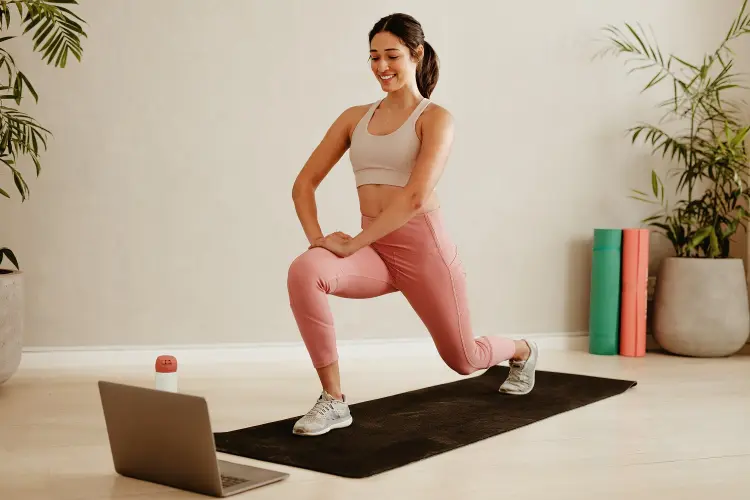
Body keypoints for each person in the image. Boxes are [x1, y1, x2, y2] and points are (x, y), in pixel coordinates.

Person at [287, 13, 539, 437]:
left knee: (465, 360)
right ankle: (333, 400)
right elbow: (303, 184)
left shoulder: (435, 118)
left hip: (424, 250)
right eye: (373, 58)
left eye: (392, 56)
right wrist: (319, 241)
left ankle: (522, 349)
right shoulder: (355, 118)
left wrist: (353, 244)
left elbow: (416, 196)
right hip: (374, 250)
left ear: (416, 54)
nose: (382, 67)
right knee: (305, 270)